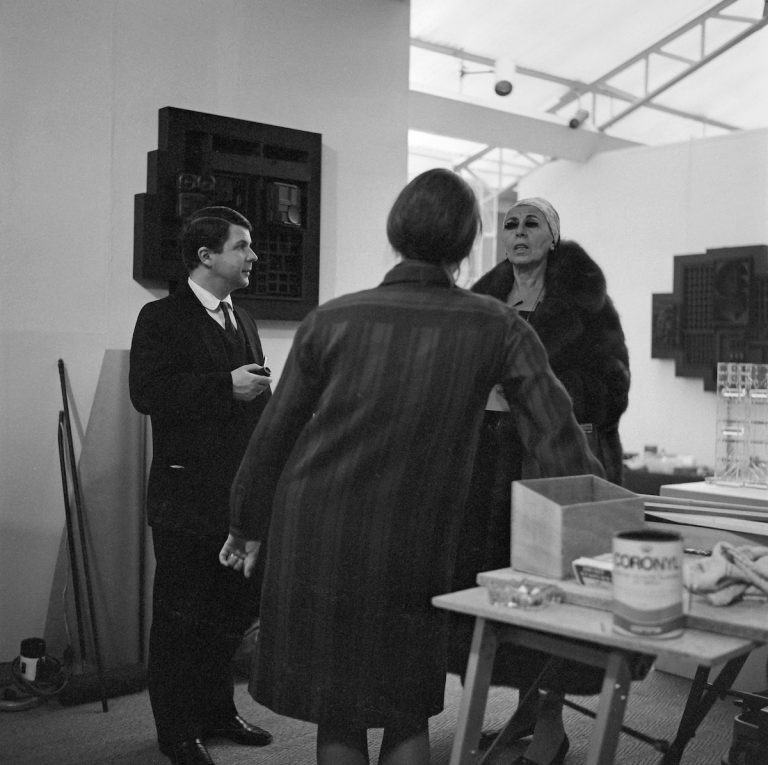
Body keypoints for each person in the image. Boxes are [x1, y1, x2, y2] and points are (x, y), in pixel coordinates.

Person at [219, 170, 605, 765]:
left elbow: (274, 435)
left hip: (316, 531)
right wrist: (588, 543)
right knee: (405, 707)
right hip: (414, 538)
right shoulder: (495, 323)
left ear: (397, 231)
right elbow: (558, 437)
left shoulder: (333, 318)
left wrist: (246, 524)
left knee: (339, 713)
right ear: (469, 240)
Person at [449, 196, 631, 765]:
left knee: (550, 593)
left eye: (533, 223)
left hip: (552, 463)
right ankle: (515, 709)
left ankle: (552, 723)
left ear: (553, 238)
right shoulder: (482, 302)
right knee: (493, 590)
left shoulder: (587, 304)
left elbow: (612, 390)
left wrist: (537, 391)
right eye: (511, 223)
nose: (520, 231)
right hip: (488, 466)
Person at [129, 207, 274, 765]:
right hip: (184, 495)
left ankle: (218, 711)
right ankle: (177, 731)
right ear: (206, 256)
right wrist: (224, 387)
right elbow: (147, 393)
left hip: (235, 499)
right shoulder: (160, 317)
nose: (253, 256)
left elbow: (253, 397)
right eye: (242, 246)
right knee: (180, 616)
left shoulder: (245, 319)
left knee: (229, 611)